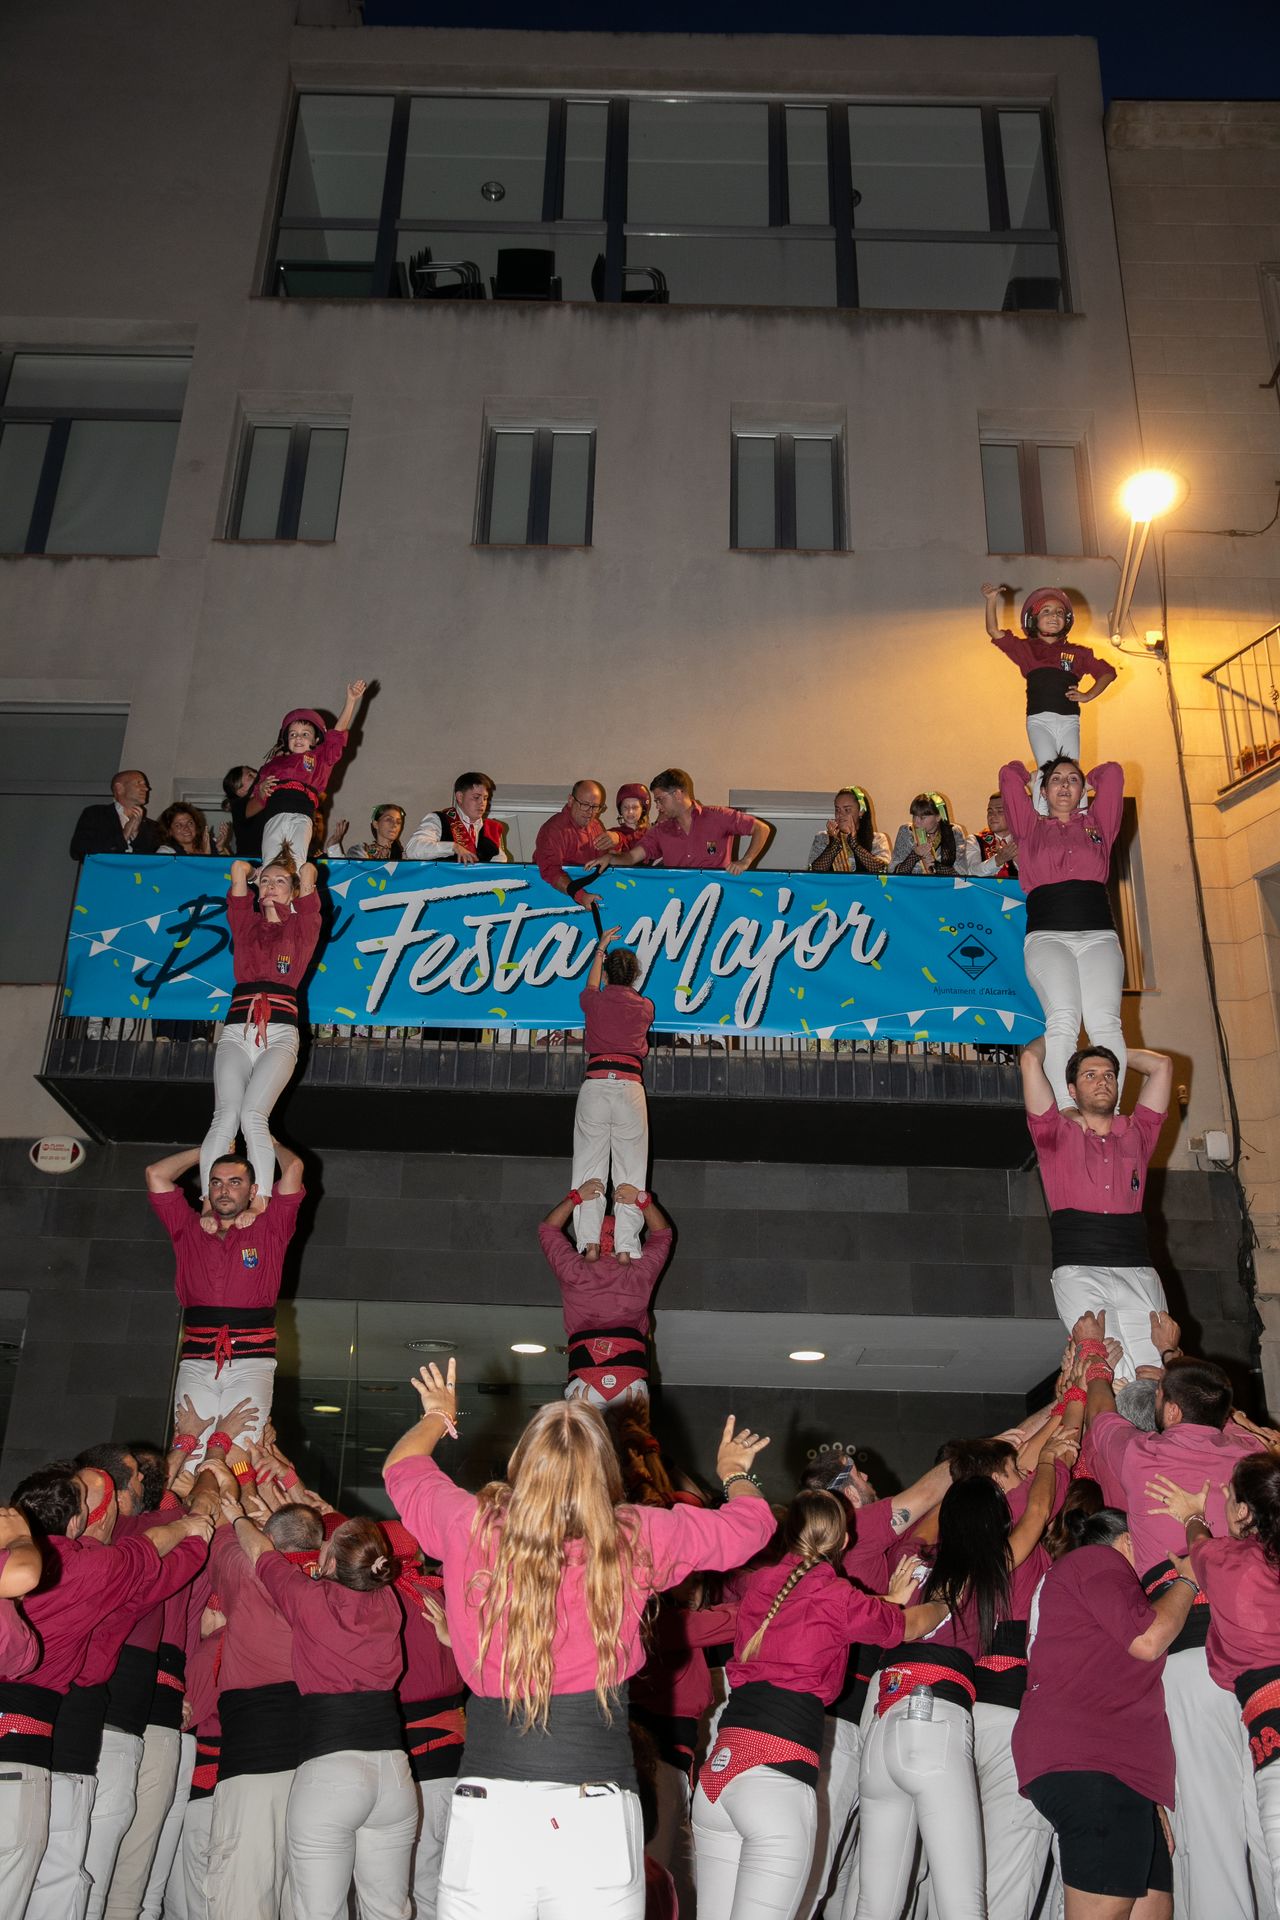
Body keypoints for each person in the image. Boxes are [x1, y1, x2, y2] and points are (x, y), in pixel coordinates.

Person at [383, 1357, 776, 1920]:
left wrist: (437, 1416)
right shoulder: (635, 1536)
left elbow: (402, 1467)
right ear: (604, 1470)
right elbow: (753, 1527)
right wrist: (735, 1473)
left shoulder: (470, 1524)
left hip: (490, 1810)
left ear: (522, 1463)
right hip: (596, 1810)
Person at [1080, 1321, 1276, 1920]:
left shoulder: (1142, 1455)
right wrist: (1173, 1353)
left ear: (1167, 1410)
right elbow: (1219, 1410)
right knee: (1267, 1807)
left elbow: (1100, 1413)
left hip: (1191, 1657)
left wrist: (1093, 1354)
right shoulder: (1250, 1459)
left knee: (1209, 1822)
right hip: (1260, 1660)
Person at [692, 1489, 944, 1920]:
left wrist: (886, 1602)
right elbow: (906, 1627)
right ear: (844, 1540)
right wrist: (943, 1604)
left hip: (717, 1776)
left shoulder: (760, 1585)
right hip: (775, 1777)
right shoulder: (839, 1596)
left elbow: (806, 1608)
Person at [853, 1439, 1070, 1920]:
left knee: (876, 1904)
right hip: (934, 1719)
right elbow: (1037, 1513)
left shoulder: (909, 1560)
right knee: (963, 1903)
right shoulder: (985, 1569)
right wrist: (1049, 1460)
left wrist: (890, 1604)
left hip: (883, 1722)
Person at [220, 1479, 417, 1920]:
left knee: (317, 1912)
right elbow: (359, 1555)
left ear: (328, 1561)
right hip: (393, 1773)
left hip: (331, 1770)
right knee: (389, 1912)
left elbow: (261, 1551)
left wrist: (238, 1517)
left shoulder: (308, 1600)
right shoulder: (389, 1602)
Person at [1012, 1505, 1192, 1920]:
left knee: (1152, 1909)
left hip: (1116, 1769)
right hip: (1094, 1763)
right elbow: (1148, 1639)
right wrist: (1188, 1580)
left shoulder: (1084, 1578)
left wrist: (1148, 1796)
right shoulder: (1098, 1561)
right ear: (1128, 1540)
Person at [1146, 1452, 1280, 1912]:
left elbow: (1200, 1544)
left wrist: (1192, 1515)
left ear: (1242, 1511)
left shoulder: (1231, 1562)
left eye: (1229, 1495)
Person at [1020, 1036, 1173, 1378]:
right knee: (1108, 1370)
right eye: (1090, 1075)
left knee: (1155, 1370)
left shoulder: (1138, 1132)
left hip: (1136, 1268)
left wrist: (1113, 1047)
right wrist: (1059, 1037)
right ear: (1071, 1091)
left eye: (1109, 1075)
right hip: (1079, 1268)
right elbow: (1029, 1059)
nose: (1102, 1081)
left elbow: (1161, 1066)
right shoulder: (1054, 1132)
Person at [203, 1496, 324, 1920]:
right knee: (305, 1899)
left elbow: (221, 1537)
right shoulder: (332, 1587)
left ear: (267, 1540)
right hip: (318, 1768)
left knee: (243, 1893)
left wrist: (237, 1510)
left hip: (255, 1765)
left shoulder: (250, 1574)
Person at [146, 1139, 305, 1452]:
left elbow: (294, 1168)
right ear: (207, 1190)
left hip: (252, 1361)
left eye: (235, 1183)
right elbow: (155, 1174)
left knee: (238, 1452)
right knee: (188, 1450)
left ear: (253, 1190)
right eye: (216, 1183)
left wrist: (270, 1143)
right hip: (196, 1360)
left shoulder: (270, 1228)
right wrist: (207, 1150)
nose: (224, 1190)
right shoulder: (188, 1227)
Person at [999, 753, 1127, 1109]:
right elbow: (1008, 777)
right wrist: (1031, 772)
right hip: (1048, 936)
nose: (1065, 785)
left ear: (1082, 790)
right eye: (1056, 779)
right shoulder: (1030, 828)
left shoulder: (1098, 825)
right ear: (1043, 791)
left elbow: (1113, 773)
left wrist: (1090, 778)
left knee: (1105, 1023)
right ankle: (1067, 1109)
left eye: (1073, 779)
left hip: (1099, 936)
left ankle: (1111, 1111)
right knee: (1063, 1019)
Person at [198, 855, 320, 1201]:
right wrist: (255, 874)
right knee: (225, 1115)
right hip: (237, 1029)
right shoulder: (245, 923)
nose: (270, 886)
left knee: (253, 1115)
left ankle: (261, 1200)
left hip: (279, 1032)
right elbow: (238, 868)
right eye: (266, 881)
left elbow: (309, 871)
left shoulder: (302, 926)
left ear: (293, 892)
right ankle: (208, 1201)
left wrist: (291, 875)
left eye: (280, 882)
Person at [539, 1183, 673, 1406]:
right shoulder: (638, 1271)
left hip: (599, 1374)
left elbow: (547, 1230)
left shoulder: (576, 1270)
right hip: (615, 1373)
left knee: (604, 1430)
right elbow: (663, 1236)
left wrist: (576, 1198)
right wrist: (641, 1200)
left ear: (589, 1240)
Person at [570, 925, 655, 1261]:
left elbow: (591, 986)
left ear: (607, 974)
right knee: (631, 1170)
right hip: (629, 1087)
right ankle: (626, 1247)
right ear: (635, 977)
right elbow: (617, 988)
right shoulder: (645, 1007)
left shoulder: (594, 1001)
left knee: (587, 1167)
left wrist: (600, 949)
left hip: (595, 1085)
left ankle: (590, 1242)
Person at [983, 584, 1117, 796]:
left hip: (1069, 721)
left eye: (1060, 612)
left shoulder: (1078, 653)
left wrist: (1088, 695)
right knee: (1048, 770)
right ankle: (1043, 814)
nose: (1054, 615)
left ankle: (1077, 815)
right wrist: (991, 599)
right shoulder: (1026, 649)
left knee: (1072, 772)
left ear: (1067, 621)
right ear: (1033, 619)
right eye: (1046, 611)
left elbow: (1108, 672)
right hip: (1039, 721)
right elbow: (993, 631)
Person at [250, 681, 367, 870]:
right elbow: (259, 796)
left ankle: (299, 887)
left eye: (305, 734)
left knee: (297, 863)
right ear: (286, 739)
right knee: (271, 863)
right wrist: (262, 790)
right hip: (275, 814)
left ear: (316, 739)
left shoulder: (321, 758)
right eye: (293, 734)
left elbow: (337, 734)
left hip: (302, 814)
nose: (298, 737)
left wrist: (351, 701)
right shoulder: (272, 764)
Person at [611, 769, 770, 873]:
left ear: (677, 794)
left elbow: (761, 829)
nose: (657, 806)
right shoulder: (660, 831)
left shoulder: (718, 816)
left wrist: (746, 861)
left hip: (717, 904)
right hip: (680, 908)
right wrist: (610, 858)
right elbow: (631, 858)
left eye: (660, 800)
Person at [533, 779, 616, 907]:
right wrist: (581, 896)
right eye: (585, 804)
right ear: (571, 801)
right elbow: (550, 871)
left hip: (587, 893)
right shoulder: (554, 830)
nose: (590, 812)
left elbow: (605, 863)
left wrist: (616, 840)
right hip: (556, 898)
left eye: (595, 807)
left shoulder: (595, 826)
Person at [405, 773, 510, 864]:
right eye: (476, 797)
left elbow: (500, 863)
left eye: (485, 798)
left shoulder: (491, 828)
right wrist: (453, 847)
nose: (482, 803)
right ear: (460, 797)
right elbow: (413, 849)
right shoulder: (439, 820)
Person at [69, 771, 160, 859]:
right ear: (119, 788)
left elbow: (155, 859)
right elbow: (78, 851)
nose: (146, 788)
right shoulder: (96, 814)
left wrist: (135, 833)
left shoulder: (152, 826)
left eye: (145, 784)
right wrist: (124, 835)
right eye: (139, 783)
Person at [890, 793, 977, 876]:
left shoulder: (953, 832)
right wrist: (915, 855)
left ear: (938, 817)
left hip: (943, 886)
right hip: (911, 885)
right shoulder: (906, 831)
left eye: (922, 817)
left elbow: (961, 873)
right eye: (914, 816)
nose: (916, 822)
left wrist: (935, 866)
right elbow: (893, 873)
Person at [809, 788, 890, 875]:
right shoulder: (823, 837)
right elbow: (812, 873)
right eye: (837, 810)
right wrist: (833, 845)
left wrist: (855, 846)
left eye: (847, 810)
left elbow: (883, 870)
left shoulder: (877, 839)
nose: (840, 815)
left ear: (861, 812)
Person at [327, 802, 406, 861]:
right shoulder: (362, 852)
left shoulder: (405, 855)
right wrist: (333, 845)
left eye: (398, 822)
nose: (394, 825)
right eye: (389, 820)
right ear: (375, 824)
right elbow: (345, 872)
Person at [218, 766, 261, 860]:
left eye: (254, 772)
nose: (256, 774)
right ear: (239, 790)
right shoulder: (237, 806)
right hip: (250, 862)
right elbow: (262, 800)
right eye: (250, 775)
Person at [972, 791, 1019, 879]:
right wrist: (998, 859)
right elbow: (970, 872)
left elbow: (1039, 875)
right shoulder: (974, 840)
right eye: (990, 812)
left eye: (1000, 811)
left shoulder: (1025, 840)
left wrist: (1019, 861)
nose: (992, 816)